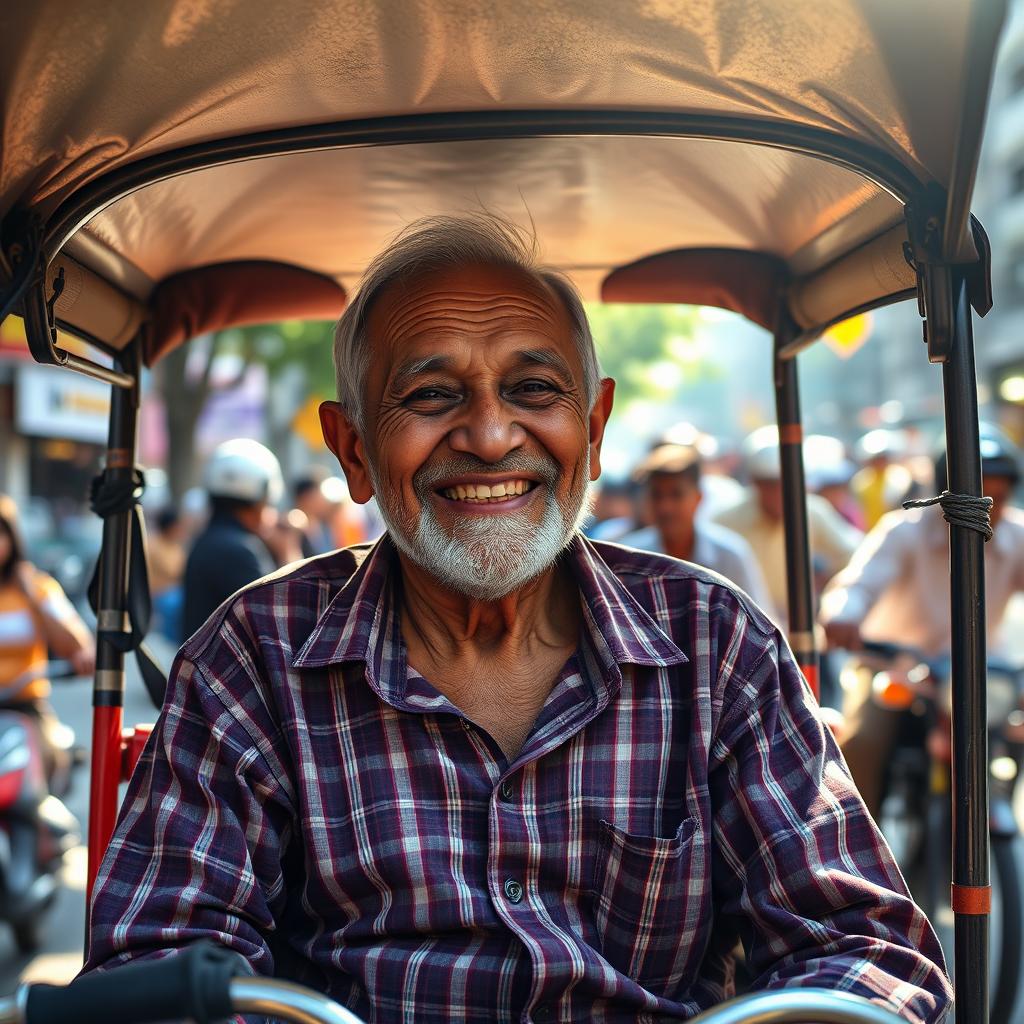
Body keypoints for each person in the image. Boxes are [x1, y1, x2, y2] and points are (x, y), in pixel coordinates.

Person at [85, 214, 950, 1023]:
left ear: (595, 427)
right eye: (431, 396)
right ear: (353, 449)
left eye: (534, 388)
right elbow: (158, 963)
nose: (492, 435)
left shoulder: (715, 646)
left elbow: (864, 951)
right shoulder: (256, 658)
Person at [819, 428, 1024, 815]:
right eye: (980, 495)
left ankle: (998, 799)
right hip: (894, 667)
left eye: (998, 496)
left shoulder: (1016, 534)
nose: (989, 509)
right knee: (862, 742)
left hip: (977, 672)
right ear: (948, 491)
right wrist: (843, 615)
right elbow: (858, 585)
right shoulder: (904, 530)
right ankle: (858, 841)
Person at [713, 427, 864, 620]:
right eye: (770, 484)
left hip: (801, 623)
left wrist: (831, 589)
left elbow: (856, 557)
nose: (779, 493)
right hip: (742, 626)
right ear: (755, 483)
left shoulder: (811, 511)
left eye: (785, 483)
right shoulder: (726, 520)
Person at [0, 494, 95, 780]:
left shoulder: (38, 586)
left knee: (49, 768)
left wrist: (33, 598)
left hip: (24, 708)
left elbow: (77, 646)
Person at [619, 443, 775, 616]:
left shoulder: (729, 555)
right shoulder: (631, 557)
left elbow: (759, 621)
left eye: (676, 494)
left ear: (698, 498)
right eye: (657, 495)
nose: (665, 507)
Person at [181, 438, 284, 640]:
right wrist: (288, 552)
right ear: (262, 497)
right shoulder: (239, 550)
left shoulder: (211, 540)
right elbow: (281, 623)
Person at [147, 505, 187, 643]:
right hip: (160, 593)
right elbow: (174, 572)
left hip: (173, 591)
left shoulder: (174, 545)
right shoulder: (153, 545)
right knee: (177, 605)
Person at [291, 466, 336, 558]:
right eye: (319, 495)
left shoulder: (323, 524)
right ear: (306, 498)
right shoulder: (294, 523)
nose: (323, 500)